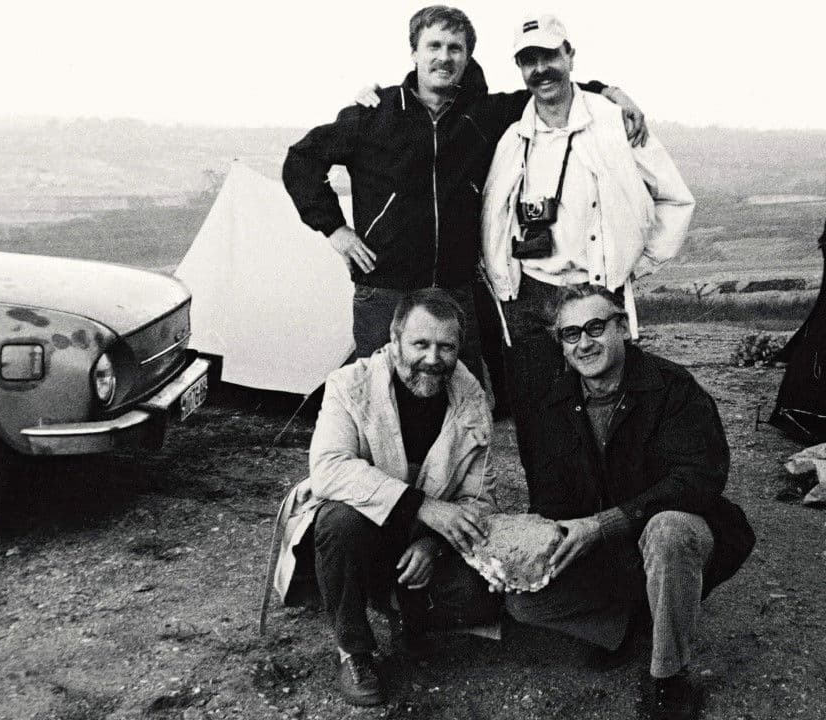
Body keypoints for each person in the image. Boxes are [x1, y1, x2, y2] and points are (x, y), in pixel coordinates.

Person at [282, 5, 647, 383]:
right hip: (384, 288)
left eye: (455, 48)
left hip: (456, 289)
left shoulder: (483, 114)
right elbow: (301, 161)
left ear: (467, 57)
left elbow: (550, 91)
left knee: (463, 395)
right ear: (414, 52)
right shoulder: (375, 114)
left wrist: (611, 93)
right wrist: (336, 230)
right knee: (379, 391)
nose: (444, 57)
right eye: (434, 46)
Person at [501, 284, 753, 720]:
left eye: (596, 328)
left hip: (673, 534)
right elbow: (549, 500)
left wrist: (608, 523)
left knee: (668, 532)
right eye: (571, 334)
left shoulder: (673, 388)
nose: (584, 343)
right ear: (561, 344)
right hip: (605, 552)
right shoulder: (551, 406)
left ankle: (668, 676)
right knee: (523, 601)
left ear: (623, 327)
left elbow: (699, 477)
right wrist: (530, 550)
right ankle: (636, 622)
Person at [480, 14, 695, 481]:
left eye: (549, 56)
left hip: (594, 290)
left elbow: (675, 197)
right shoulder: (512, 135)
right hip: (529, 295)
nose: (541, 69)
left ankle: (611, 504)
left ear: (570, 55)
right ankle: (549, 506)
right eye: (529, 60)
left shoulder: (613, 122)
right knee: (538, 413)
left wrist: (635, 264)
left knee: (606, 406)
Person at [271, 288, 500, 707]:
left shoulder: (472, 399)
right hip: (361, 529)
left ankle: (399, 605)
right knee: (339, 522)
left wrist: (433, 544)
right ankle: (353, 650)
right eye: (420, 344)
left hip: (419, 538)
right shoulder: (349, 384)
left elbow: (480, 500)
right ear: (395, 341)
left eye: (446, 347)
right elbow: (329, 469)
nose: (433, 358)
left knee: (483, 595)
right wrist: (423, 507)